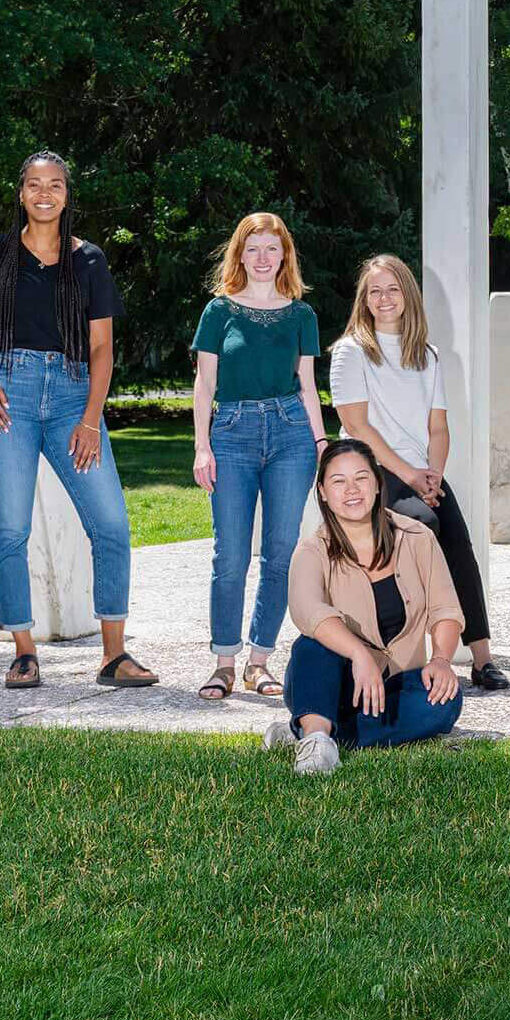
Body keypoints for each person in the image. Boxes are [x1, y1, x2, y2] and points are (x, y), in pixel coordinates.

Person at [0, 151, 157, 690]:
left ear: (67, 195)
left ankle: (114, 655)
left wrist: (91, 418)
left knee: (112, 524)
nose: (43, 193)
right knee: (9, 529)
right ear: (21, 192)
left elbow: (102, 348)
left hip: (74, 396)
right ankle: (24, 650)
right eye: (33, 184)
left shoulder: (88, 260)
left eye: (54, 185)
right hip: (9, 392)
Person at [330, 253, 507, 691]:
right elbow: (356, 426)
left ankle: (481, 657)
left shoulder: (426, 355)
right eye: (375, 291)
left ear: (407, 296)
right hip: (372, 469)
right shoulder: (351, 352)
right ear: (364, 300)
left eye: (392, 289)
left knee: (457, 538)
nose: (384, 298)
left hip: (418, 472)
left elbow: (438, 426)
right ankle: (415, 655)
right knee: (422, 526)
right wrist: (410, 475)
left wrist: (433, 476)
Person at [191, 212, 327, 701]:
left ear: (284, 254)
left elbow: (308, 386)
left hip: (291, 432)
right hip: (231, 433)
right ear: (239, 255)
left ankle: (259, 662)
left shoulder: (301, 316)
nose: (263, 258)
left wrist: (320, 444)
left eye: (273, 248)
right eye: (254, 248)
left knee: (280, 555)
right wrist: (201, 446)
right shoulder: (218, 311)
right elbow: (205, 384)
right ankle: (224, 662)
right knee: (229, 555)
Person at [267, 438, 464, 775]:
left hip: (394, 684)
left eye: (361, 478)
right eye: (338, 482)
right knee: (313, 646)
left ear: (377, 484)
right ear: (323, 492)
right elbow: (308, 611)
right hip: (329, 684)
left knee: (446, 702)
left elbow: (446, 608)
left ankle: (310, 732)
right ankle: (316, 736)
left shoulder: (416, 537)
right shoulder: (312, 551)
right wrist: (359, 655)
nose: (351, 490)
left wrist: (442, 660)